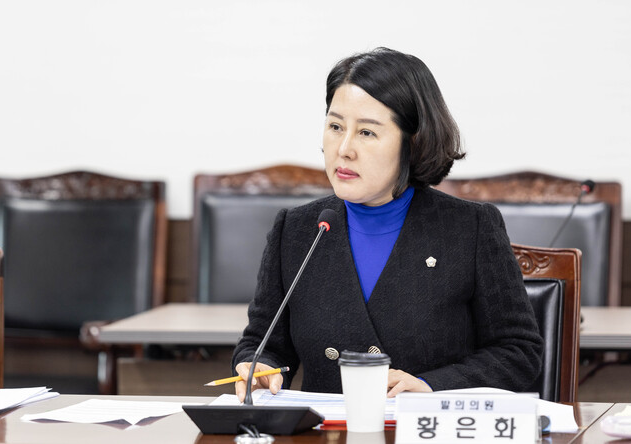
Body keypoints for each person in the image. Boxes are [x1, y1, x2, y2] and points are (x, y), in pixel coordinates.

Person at [232, 47, 543, 401]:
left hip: (426, 426)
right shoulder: (297, 229)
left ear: (413, 143)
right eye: (335, 127)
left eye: (366, 133)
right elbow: (263, 343)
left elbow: (519, 352)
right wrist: (258, 368)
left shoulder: (470, 228)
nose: (344, 149)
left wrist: (430, 386)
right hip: (327, 428)